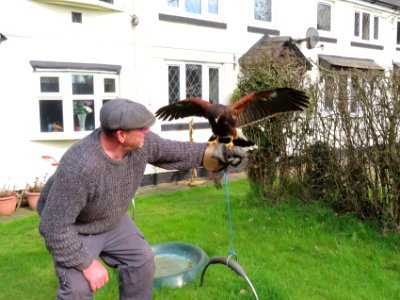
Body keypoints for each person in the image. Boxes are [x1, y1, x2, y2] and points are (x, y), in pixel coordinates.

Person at [37, 98, 246, 300]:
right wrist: (87, 264)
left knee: (141, 261)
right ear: (121, 135)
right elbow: (53, 227)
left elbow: (174, 152)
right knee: (78, 290)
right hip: (74, 229)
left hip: (112, 218)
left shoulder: (141, 143)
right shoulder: (81, 165)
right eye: (142, 128)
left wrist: (219, 154)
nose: (147, 131)